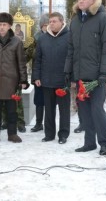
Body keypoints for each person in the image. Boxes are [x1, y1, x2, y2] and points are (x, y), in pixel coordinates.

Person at [64, 0, 106, 155]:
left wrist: (104, 73)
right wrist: (68, 72)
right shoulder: (75, 21)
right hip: (80, 76)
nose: (80, 1)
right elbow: (71, 49)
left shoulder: (104, 19)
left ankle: (104, 143)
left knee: (97, 111)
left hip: (96, 76)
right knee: (84, 111)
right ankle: (89, 143)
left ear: (93, 1)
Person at [0, 12, 29, 144]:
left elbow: (21, 62)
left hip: (11, 81)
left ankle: (12, 134)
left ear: (9, 26)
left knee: (11, 111)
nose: (2, 27)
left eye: (4, 24)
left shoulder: (17, 42)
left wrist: (23, 80)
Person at [32, 12, 71, 144]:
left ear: (62, 22)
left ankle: (63, 134)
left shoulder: (70, 36)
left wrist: (72, 78)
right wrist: (36, 76)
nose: (51, 24)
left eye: (54, 21)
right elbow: (37, 59)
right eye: (50, 22)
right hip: (46, 80)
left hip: (63, 80)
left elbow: (74, 58)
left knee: (64, 109)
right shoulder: (43, 38)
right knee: (48, 109)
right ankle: (49, 134)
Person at [30, 13, 49, 132]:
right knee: (39, 100)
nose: (48, 27)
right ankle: (38, 123)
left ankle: (49, 123)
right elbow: (28, 55)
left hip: (50, 74)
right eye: (46, 25)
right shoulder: (35, 39)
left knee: (50, 101)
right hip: (38, 73)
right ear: (42, 26)